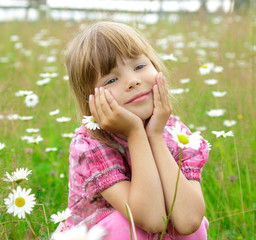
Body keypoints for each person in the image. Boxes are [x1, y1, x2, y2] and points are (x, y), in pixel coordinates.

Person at [56, 21, 210, 239]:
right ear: (91, 100)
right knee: (126, 225)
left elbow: (189, 221)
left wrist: (154, 136)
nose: (132, 81)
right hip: (100, 234)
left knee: (186, 221)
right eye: (111, 79)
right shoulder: (90, 144)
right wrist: (136, 133)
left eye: (139, 66)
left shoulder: (176, 132)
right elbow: (152, 219)